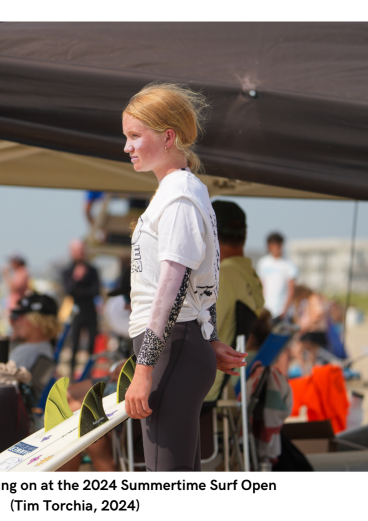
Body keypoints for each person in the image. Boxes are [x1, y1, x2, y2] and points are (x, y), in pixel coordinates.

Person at [121, 83, 246, 471]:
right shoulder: (185, 191)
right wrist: (208, 339)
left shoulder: (177, 196)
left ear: (168, 136)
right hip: (180, 345)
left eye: (134, 136)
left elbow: (171, 292)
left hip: (169, 349)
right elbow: (194, 286)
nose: (127, 147)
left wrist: (144, 370)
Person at [203, 200, 265, 403]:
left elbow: (200, 338)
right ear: (245, 236)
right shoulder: (251, 276)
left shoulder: (222, 276)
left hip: (202, 391)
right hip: (222, 388)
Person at [8, 293, 60, 402]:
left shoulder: (29, 351)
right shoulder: (44, 348)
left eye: (20, 317)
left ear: (37, 321)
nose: (14, 322)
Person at [62, 239, 101, 378]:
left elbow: (96, 291)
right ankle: (72, 375)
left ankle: (89, 373)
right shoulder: (68, 270)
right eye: (78, 251)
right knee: (74, 345)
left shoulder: (92, 270)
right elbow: (68, 290)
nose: (81, 253)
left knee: (91, 345)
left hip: (90, 311)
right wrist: (77, 278)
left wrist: (80, 291)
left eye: (82, 250)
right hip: (76, 311)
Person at [256, 232, 298, 323]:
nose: (276, 248)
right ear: (269, 246)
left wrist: (285, 310)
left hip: (282, 311)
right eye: (273, 245)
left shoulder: (289, 264)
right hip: (266, 309)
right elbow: (260, 286)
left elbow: (292, 289)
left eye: (278, 245)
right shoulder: (263, 263)